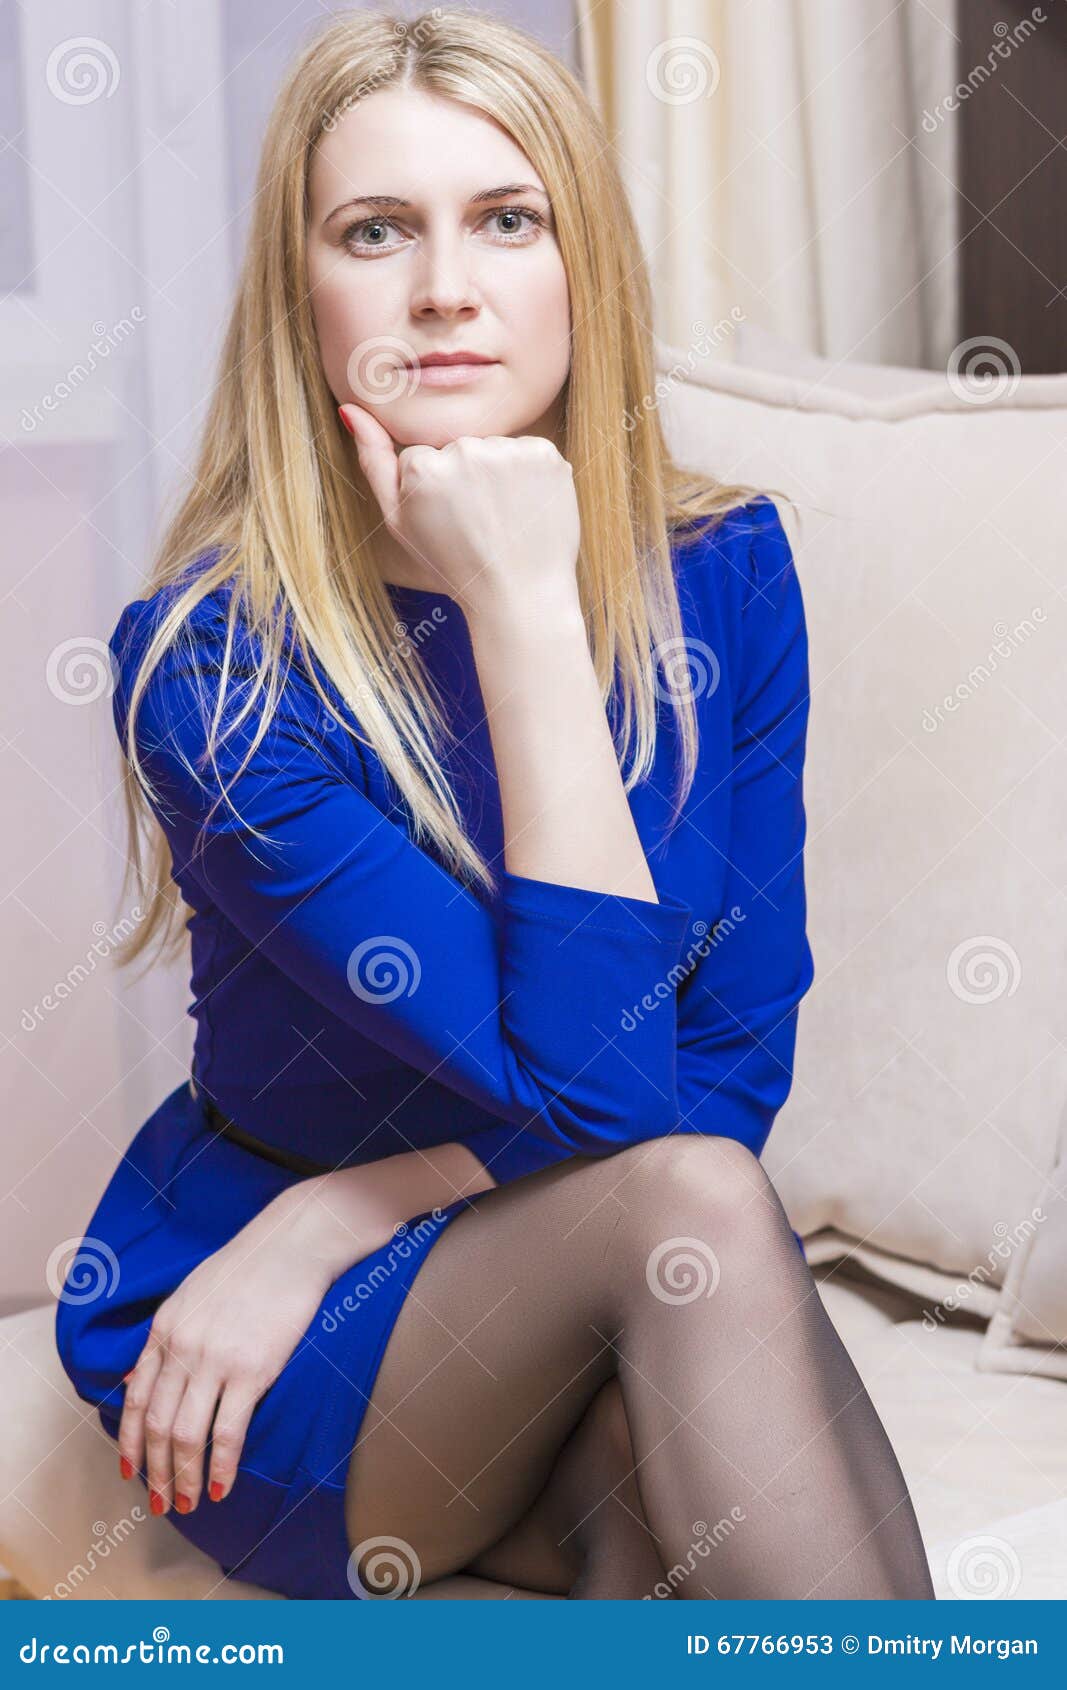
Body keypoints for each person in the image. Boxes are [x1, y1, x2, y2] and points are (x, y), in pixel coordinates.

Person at [55, 8, 935, 1602]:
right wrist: (526, 613)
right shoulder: (213, 667)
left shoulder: (729, 572)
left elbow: (725, 1063)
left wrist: (351, 1204)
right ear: (300, 299)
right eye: (375, 231)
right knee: (694, 1203)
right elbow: (623, 1107)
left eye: (507, 219)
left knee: (675, 1516)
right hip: (289, 1360)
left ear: (581, 266)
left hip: (519, 1269)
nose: (444, 288)